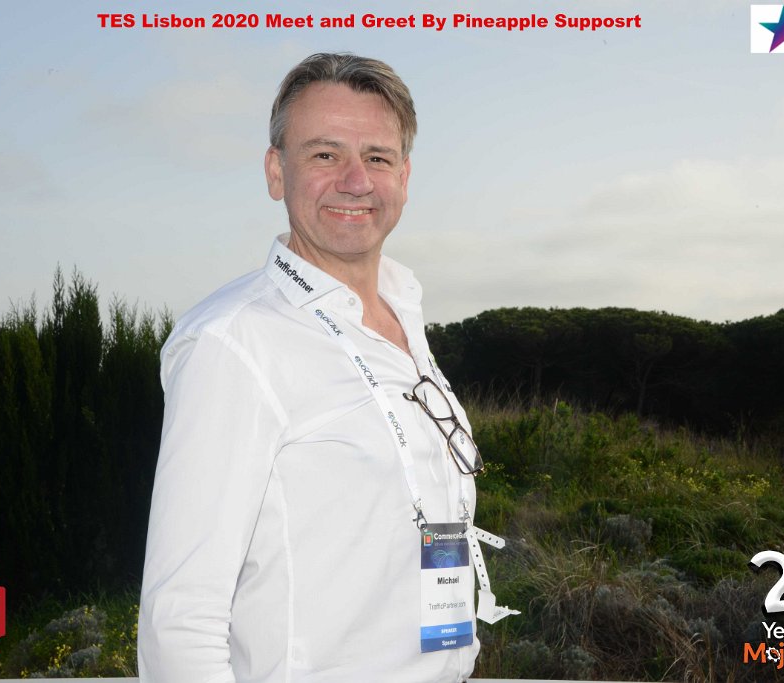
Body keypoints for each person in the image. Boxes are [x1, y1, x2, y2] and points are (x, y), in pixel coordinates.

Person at [138, 53, 514, 683]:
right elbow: (179, 621)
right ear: (275, 171)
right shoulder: (232, 343)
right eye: (324, 154)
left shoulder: (402, 314)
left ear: (404, 176)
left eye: (377, 157)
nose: (355, 180)